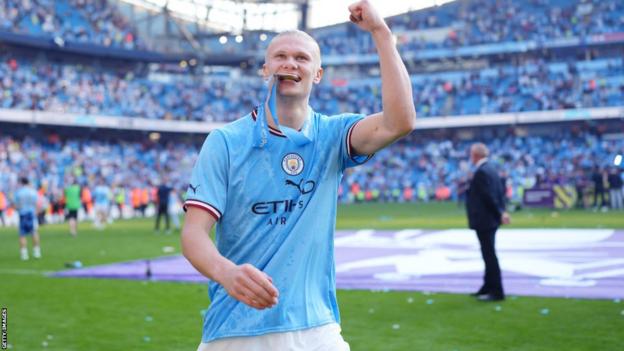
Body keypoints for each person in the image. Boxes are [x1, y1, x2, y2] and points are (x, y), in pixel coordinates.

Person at [181, 1, 416, 349]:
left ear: (317, 74)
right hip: (235, 328)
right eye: (280, 56)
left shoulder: (333, 136)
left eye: (302, 58)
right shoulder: (226, 142)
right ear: (265, 70)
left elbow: (400, 122)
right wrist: (226, 272)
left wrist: (381, 33)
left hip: (316, 328)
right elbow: (193, 235)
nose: (290, 63)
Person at [466, 143, 509, 302]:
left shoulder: (482, 172)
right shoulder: (491, 169)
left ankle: (496, 291)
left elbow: (489, 196)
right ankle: (488, 286)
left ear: (476, 155)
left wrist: (499, 213)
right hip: (490, 220)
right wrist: (502, 212)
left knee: (489, 255)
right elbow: (499, 193)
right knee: (488, 254)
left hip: (485, 220)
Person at [13, 177, 42, 260]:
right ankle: (37, 252)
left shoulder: (18, 192)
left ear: (21, 183)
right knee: (34, 232)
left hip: (22, 214)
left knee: (22, 235)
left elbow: (16, 205)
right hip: (31, 214)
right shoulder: (33, 192)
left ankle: (24, 254)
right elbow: (37, 204)